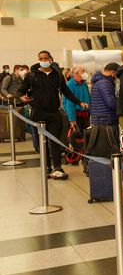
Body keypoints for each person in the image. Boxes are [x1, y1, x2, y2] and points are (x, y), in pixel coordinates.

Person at [19, 51, 88, 180]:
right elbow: (21, 90)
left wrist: (79, 102)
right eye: (41, 58)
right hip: (38, 112)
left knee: (55, 140)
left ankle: (57, 167)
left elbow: (66, 92)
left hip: (54, 113)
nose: (44, 60)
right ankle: (47, 166)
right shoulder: (31, 75)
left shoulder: (57, 75)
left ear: (51, 59)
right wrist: (21, 97)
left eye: (46, 58)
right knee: (42, 142)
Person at [62, 65, 91, 134]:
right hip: (76, 115)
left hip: (85, 115)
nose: (85, 73)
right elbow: (69, 103)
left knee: (86, 136)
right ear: (76, 74)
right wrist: (72, 119)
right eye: (83, 72)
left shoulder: (84, 84)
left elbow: (88, 98)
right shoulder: (70, 85)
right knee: (76, 138)